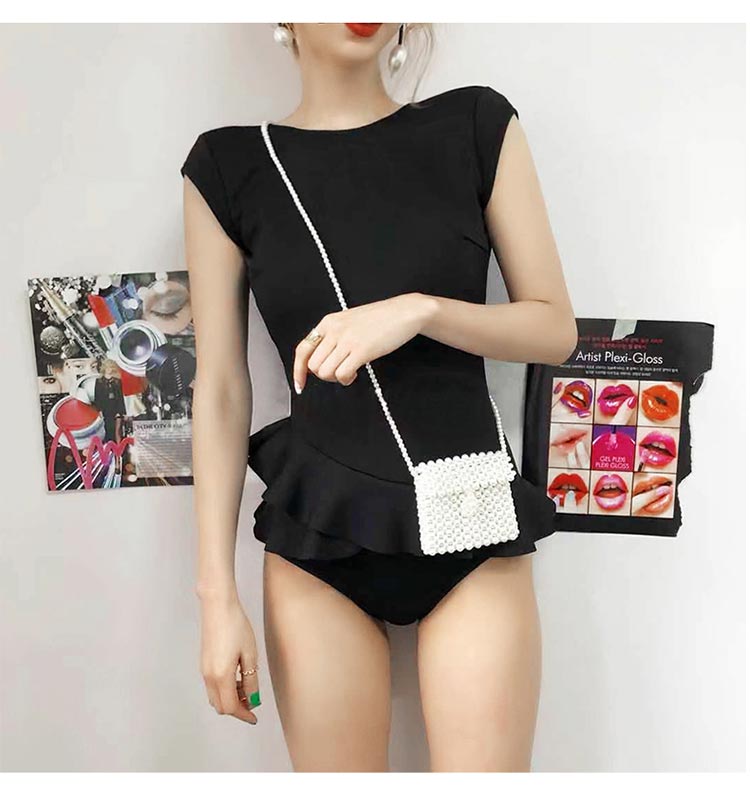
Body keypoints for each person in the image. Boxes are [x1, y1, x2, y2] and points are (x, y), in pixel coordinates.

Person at [180, 23, 577, 772]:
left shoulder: (475, 124)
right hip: (317, 534)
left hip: (471, 514)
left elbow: (554, 329)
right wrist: (215, 599)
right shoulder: (227, 165)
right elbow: (223, 389)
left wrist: (419, 311)